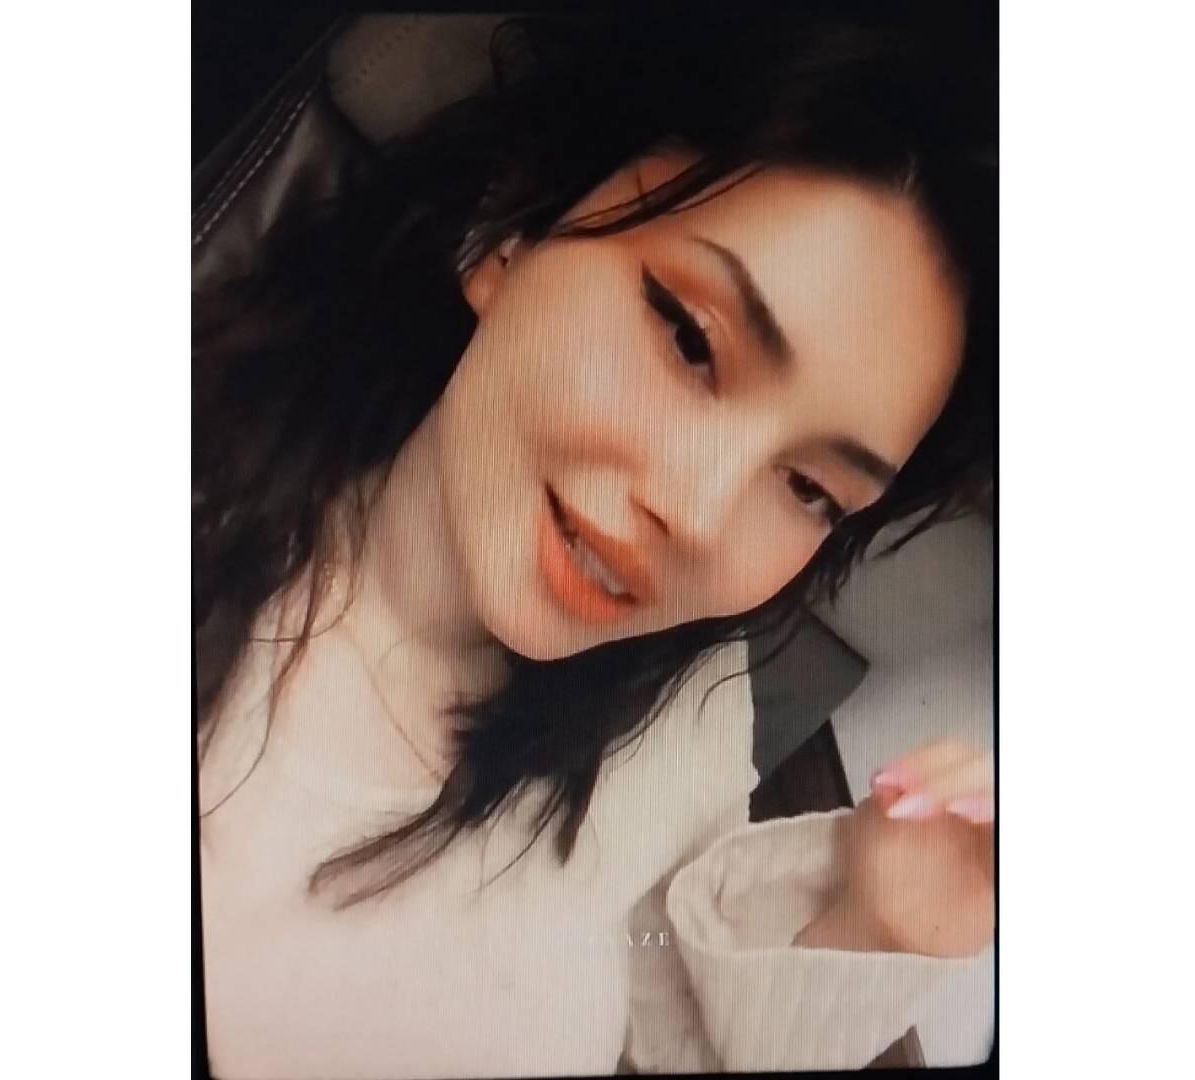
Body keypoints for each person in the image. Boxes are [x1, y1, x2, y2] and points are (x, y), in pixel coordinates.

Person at [194, 6, 996, 1077]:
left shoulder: (688, 702)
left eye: (810, 489)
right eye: (689, 338)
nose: (699, 517)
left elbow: (650, 991)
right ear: (510, 230)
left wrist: (864, 920)